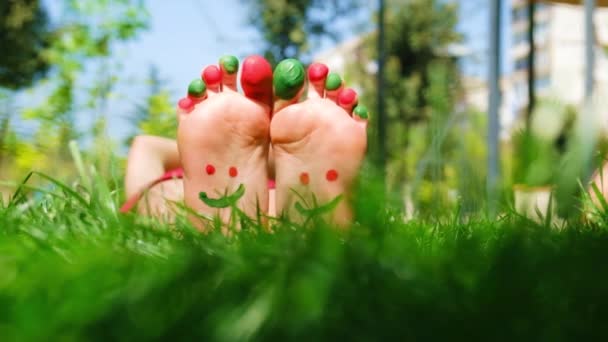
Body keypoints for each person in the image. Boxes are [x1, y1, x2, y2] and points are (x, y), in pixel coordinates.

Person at [121, 55, 369, 230]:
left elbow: (146, 145)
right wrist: (270, 149)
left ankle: (218, 231)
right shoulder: (272, 168)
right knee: (274, 202)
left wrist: (255, 148)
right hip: (273, 187)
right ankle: (309, 233)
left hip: (198, 186)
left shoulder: (196, 158)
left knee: (163, 195)